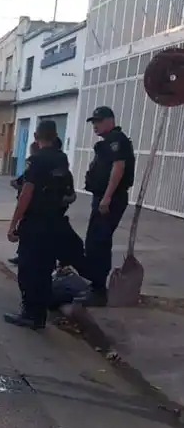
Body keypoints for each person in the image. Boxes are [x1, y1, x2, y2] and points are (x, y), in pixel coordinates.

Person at [4, 120, 75, 330]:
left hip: (35, 222)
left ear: (36, 136)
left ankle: (30, 313)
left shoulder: (36, 161)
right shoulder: (62, 159)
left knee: (28, 270)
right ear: (55, 136)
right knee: (44, 269)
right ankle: (40, 315)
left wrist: (13, 223)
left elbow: (26, 193)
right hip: (55, 222)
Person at [83, 106, 135, 306]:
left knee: (99, 242)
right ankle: (95, 286)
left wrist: (106, 198)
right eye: (93, 122)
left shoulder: (116, 140)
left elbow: (118, 168)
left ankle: (98, 291)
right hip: (103, 198)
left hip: (110, 199)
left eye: (98, 121)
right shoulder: (108, 141)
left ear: (109, 121)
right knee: (95, 241)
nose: (94, 126)